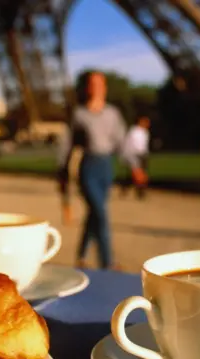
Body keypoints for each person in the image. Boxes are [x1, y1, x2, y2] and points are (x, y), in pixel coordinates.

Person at [57, 71, 147, 270]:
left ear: (104, 87)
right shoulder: (79, 114)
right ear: (87, 87)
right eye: (92, 83)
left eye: (99, 83)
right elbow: (67, 145)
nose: (96, 87)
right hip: (88, 166)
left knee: (94, 214)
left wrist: (135, 166)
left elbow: (123, 144)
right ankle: (107, 263)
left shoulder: (112, 114)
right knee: (101, 213)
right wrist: (61, 169)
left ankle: (80, 256)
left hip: (106, 167)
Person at [120, 116, 151, 199]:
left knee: (140, 174)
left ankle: (138, 191)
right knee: (136, 174)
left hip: (142, 155)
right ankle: (133, 190)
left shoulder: (145, 132)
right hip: (134, 155)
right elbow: (130, 145)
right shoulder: (134, 131)